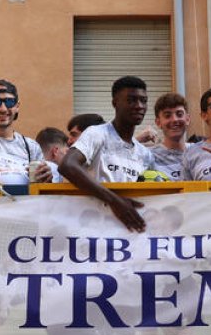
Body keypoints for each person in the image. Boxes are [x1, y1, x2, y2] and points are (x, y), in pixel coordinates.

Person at [58, 76, 155, 232]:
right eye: (131, 100)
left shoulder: (145, 154)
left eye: (143, 101)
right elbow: (67, 165)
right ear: (115, 103)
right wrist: (115, 201)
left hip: (128, 232)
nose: (139, 106)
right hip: (91, 228)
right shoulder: (97, 134)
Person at [148, 93, 191, 181]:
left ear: (187, 119)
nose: (174, 119)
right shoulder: (148, 156)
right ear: (158, 122)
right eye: (167, 116)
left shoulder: (199, 152)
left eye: (179, 114)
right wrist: (138, 139)